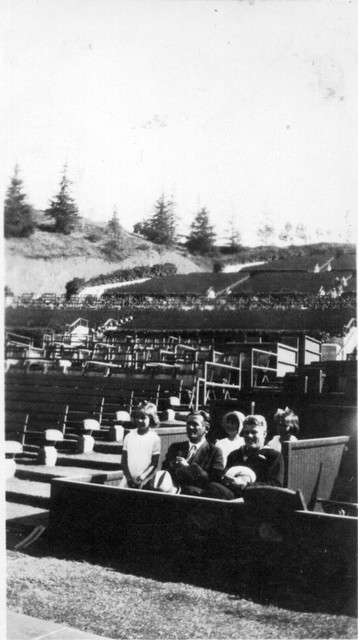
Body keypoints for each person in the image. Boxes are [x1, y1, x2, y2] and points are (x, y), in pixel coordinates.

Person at [203, 414, 284, 500]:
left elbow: (275, 485)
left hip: (256, 500)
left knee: (213, 489)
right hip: (232, 497)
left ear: (264, 434)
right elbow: (226, 476)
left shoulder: (273, 456)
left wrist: (244, 485)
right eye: (246, 432)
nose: (249, 436)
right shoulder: (235, 454)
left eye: (254, 432)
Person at [155, 410, 224, 495]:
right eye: (188, 423)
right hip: (172, 494)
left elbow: (214, 481)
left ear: (206, 428)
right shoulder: (176, 447)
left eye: (195, 424)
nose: (190, 427)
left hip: (197, 498)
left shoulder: (214, 452)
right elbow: (165, 470)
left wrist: (189, 468)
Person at [119, 401, 161, 489]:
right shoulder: (129, 436)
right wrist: (129, 479)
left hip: (145, 480)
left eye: (143, 418)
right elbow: (124, 461)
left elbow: (154, 463)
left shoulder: (154, 438)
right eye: (137, 417)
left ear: (151, 418)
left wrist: (141, 477)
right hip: (128, 480)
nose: (139, 420)